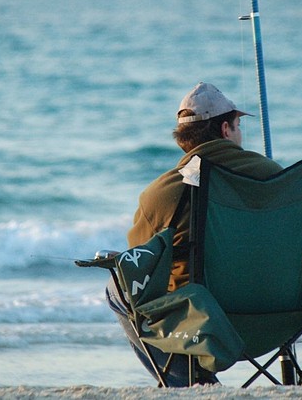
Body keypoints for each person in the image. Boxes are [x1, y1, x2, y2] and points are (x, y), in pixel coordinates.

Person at [106, 82, 284, 386]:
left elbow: (139, 261)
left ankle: (190, 383)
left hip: (203, 322)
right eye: (239, 125)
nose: (240, 133)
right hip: (279, 316)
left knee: (119, 285)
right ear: (225, 129)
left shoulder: (163, 193)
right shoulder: (276, 177)